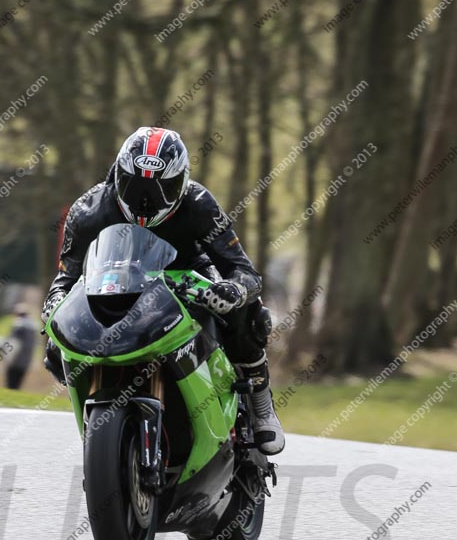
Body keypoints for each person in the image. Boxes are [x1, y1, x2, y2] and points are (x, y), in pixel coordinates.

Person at [42, 127, 284, 455]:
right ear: (117, 177)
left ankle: (259, 401)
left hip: (188, 280)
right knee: (57, 346)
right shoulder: (88, 211)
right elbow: (66, 277)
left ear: (181, 182)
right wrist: (55, 300)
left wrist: (232, 291)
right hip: (118, 285)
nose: (146, 200)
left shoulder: (200, 204)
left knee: (248, 314)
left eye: (161, 188)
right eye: (136, 186)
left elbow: (244, 271)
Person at [6, 304, 36, 390]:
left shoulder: (19, 325)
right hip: (26, 361)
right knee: (17, 384)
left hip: (15, 360)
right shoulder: (33, 326)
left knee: (11, 384)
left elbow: (14, 344)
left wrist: (8, 358)